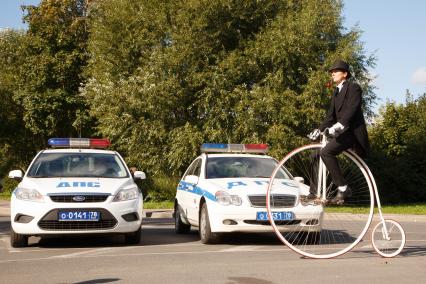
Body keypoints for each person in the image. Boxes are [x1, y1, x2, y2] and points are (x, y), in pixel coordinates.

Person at [307, 59, 370, 204]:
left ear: (345, 74)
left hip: (352, 133)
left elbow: (351, 110)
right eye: (332, 72)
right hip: (342, 132)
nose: (332, 74)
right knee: (316, 153)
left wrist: (338, 126)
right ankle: (314, 192)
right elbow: (330, 116)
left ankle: (343, 188)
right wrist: (319, 130)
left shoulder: (354, 88)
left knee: (326, 152)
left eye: (336, 71)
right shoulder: (336, 92)